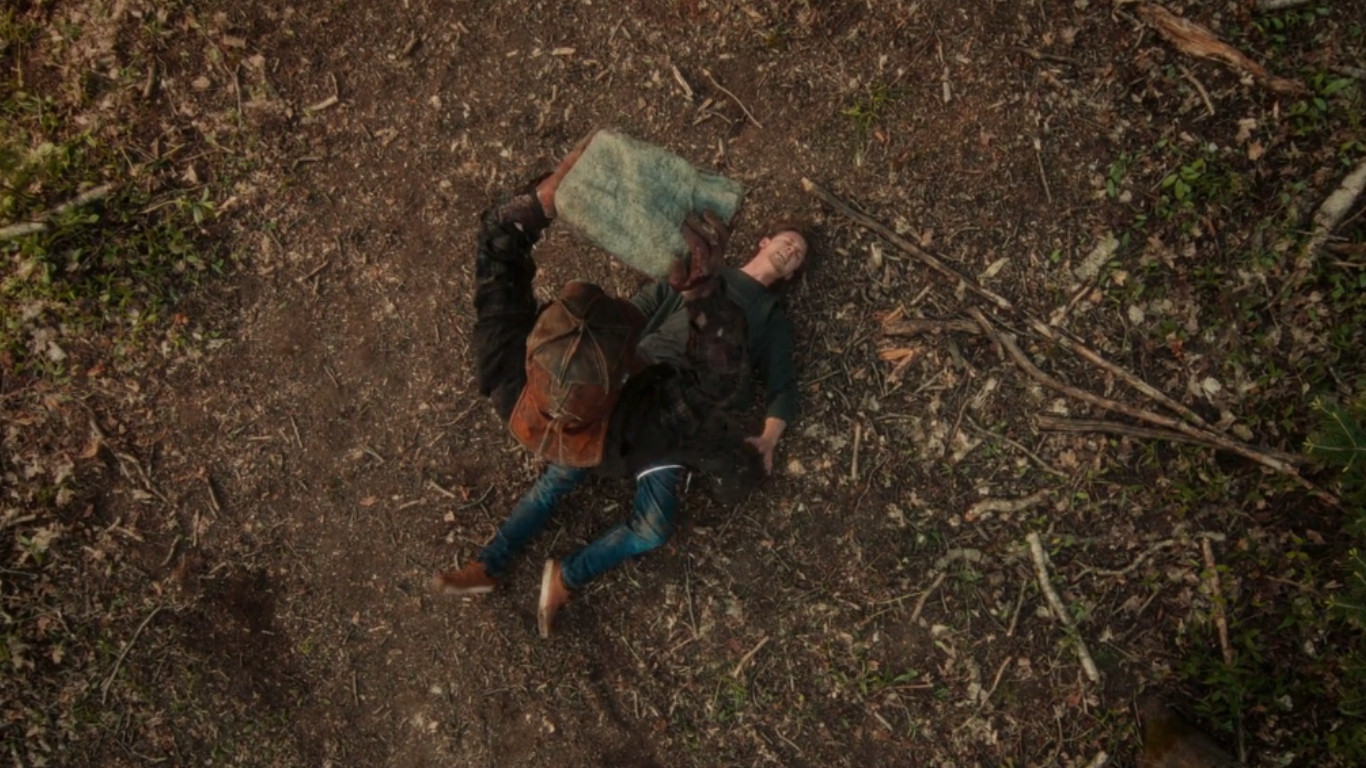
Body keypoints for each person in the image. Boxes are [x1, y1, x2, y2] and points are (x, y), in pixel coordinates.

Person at [433, 144, 761, 638]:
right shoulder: (640, 431)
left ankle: (491, 564)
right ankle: (538, 571)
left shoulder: (503, 371)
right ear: (627, 372)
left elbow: (497, 252)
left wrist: (538, 205)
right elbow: (718, 382)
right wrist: (703, 292)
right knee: (640, 522)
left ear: (534, 341)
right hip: (612, 444)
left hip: (559, 433)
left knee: (555, 481)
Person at [631, 220, 808, 474]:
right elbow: (649, 301)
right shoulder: (709, 271)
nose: (791, 250)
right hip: (643, 365)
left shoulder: (772, 319)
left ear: (790, 274)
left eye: (797, 254)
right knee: (584, 429)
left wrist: (768, 440)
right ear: (764, 242)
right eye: (788, 242)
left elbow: (783, 387)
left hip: (685, 405)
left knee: (657, 485)